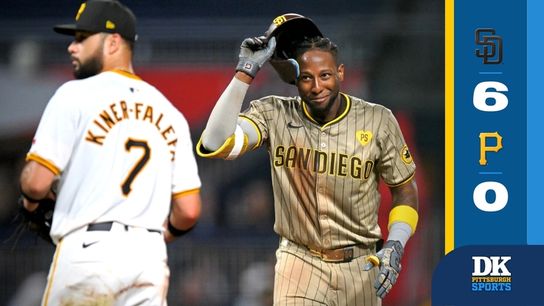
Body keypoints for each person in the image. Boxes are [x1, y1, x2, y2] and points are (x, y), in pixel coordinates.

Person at [197, 13, 419, 305]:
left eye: (325, 75)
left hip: (360, 264)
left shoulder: (377, 120)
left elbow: (405, 190)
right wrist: (244, 71)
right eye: (306, 78)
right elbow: (216, 142)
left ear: (340, 72)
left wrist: (396, 244)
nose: (317, 86)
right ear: (293, 77)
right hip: (299, 262)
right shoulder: (273, 113)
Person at [18, 0, 202, 304]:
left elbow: (36, 183)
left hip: (89, 251)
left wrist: (30, 196)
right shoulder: (170, 112)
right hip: (149, 257)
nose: (72, 48)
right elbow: (189, 210)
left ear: (113, 41)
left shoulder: (73, 95)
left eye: (81, 38)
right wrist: (153, 235)